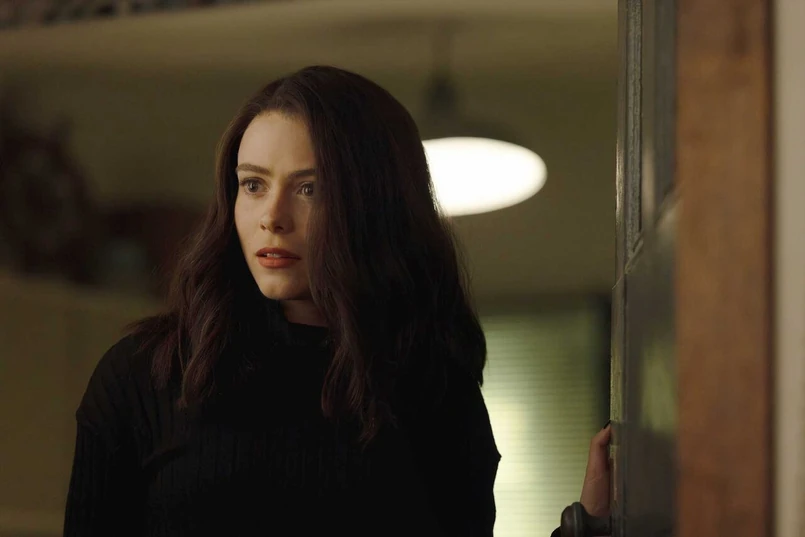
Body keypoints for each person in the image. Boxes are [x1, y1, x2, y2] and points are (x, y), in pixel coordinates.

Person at [62, 65, 609, 537]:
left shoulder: (434, 385)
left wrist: (587, 524)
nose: (272, 217)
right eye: (253, 185)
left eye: (310, 189)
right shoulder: (143, 375)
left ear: (373, 208)